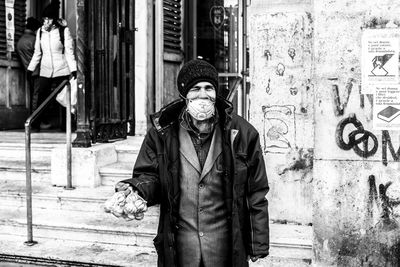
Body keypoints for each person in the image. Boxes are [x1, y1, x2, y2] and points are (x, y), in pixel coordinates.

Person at [113, 59, 270, 267]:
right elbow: (149, 176)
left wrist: (257, 242)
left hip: (225, 247)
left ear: (216, 93)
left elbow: (256, 191)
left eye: (209, 88)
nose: (203, 95)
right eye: (195, 89)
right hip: (180, 248)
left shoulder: (243, 133)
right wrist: (136, 190)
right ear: (184, 95)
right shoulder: (162, 133)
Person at [27, 3, 77, 130]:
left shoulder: (63, 31)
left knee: (64, 98)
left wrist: (73, 69)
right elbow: (37, 53)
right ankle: (36, 124)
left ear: (54, 19)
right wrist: (30, 69)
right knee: (41, 98)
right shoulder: (40, 32)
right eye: (44, 19)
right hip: (45, 70)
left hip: (62, 69)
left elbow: (69, 52)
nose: (46, 21)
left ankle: (66, 125)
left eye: (48, 19)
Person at [16, 17, 42, 114]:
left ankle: (32, 117)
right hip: (38, 71)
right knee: (37, 96)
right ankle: (36, 119)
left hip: (28, 71)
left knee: (32, 95)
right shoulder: (35, 40)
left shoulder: (20, 41)